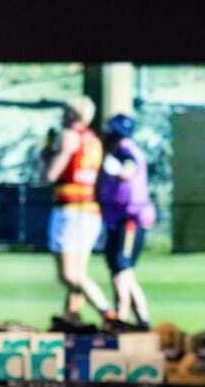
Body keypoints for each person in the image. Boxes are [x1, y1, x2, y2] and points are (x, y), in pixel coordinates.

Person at [40, 95, 114, 325]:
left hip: (70, 210)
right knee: (78, 275)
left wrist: (46, 155)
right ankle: (71, 321)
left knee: (68, 275)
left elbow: (49, 175)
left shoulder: (69, 137)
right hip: (90, 210)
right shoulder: (94, 140)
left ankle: (107, 312)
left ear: (73, 114)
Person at [97, 113, 158, 328]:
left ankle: (121, 317)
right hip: (117, 219)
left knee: (122, 270)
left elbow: (127, 171)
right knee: (121, 270)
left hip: (129, 219)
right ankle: (142, 319)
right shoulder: (119, 150)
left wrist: (116, 168)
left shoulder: (125, 150)